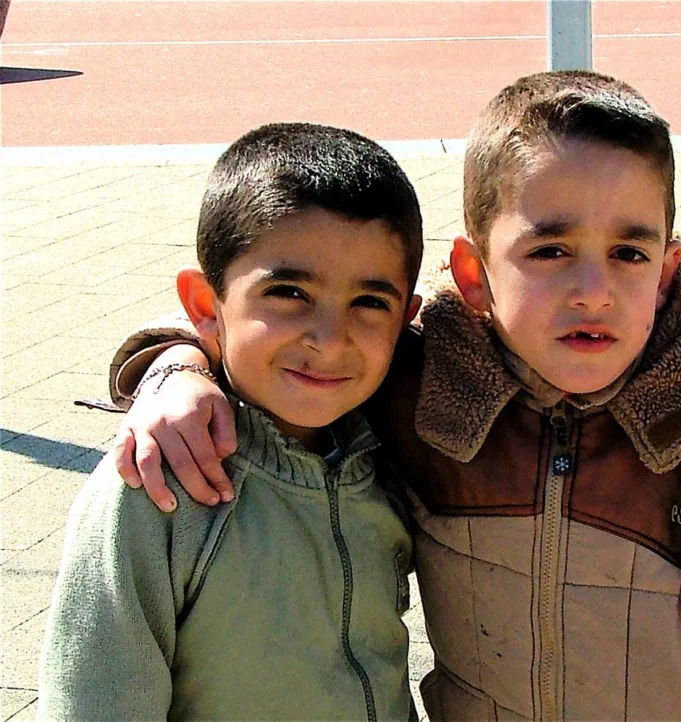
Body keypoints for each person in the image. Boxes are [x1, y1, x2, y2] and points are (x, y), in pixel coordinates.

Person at [103, 72, 681, 720]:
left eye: (629, 253)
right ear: (473, 275)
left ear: (667, 273)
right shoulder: (425, 389)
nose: (593, 290)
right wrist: (177, 368)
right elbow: (264, 337)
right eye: (551, 250)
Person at [38, 122, 424, 721]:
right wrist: (175, 365)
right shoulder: (153, 482)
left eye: (370, 302)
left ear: (406, 318)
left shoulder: (395, 451)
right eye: (289, 293)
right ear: (204, 305)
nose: (330, 339)